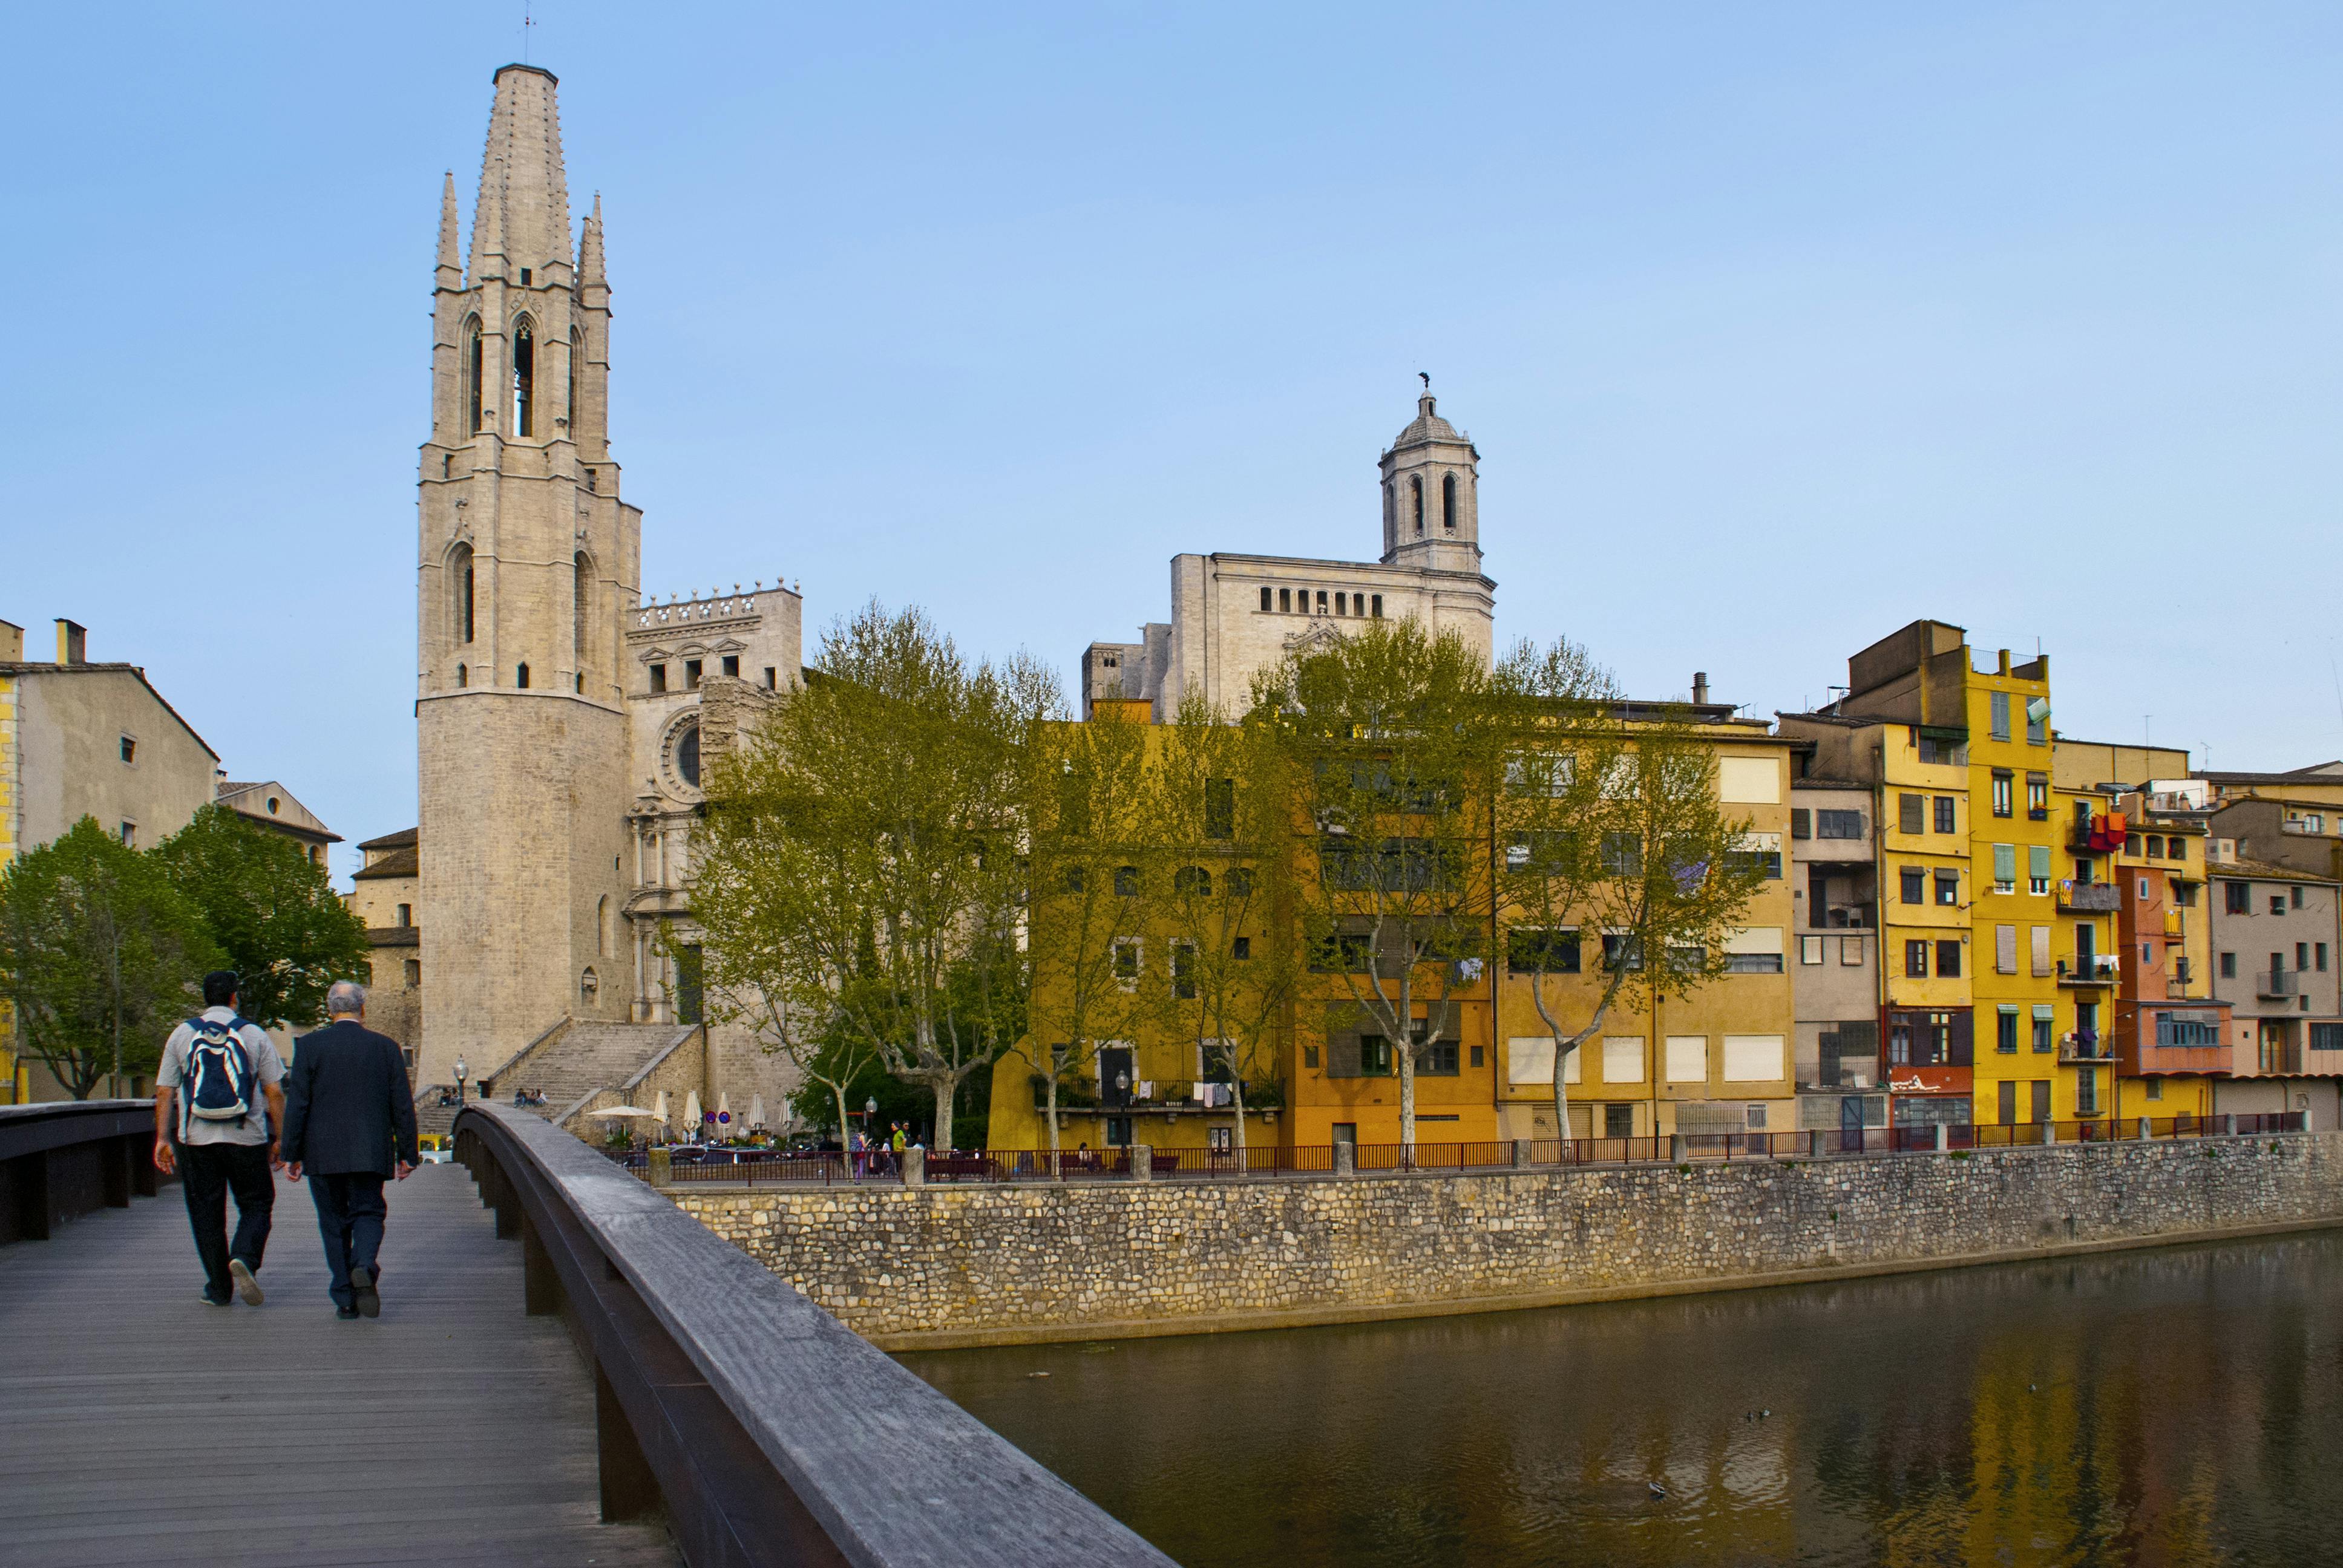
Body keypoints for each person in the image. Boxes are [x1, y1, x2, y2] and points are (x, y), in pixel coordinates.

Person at [278, 981, 419, 1319]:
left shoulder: (310, 1047)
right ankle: (365, 1266)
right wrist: (408, 1154)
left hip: (322, 1153)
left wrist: (291, 1153)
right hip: (371, 1150)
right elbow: (402, 1104)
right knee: (369, 1213)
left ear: (330, 1010)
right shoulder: (386, 1048)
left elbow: (298, 1104)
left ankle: (344, 1296)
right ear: (363, 1009)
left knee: (333, 1222)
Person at [154, 970, 286, 1307]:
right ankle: (244, 1256)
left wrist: (162, 1138)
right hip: (247, 1137)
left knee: (205, 1213)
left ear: (204, 998)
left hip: (195, 1139)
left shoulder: (182, 1034)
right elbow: (275, 1092)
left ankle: (218, 1288)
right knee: (257, 1204)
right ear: (234, 998)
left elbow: (164, 1091)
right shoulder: (253, 1034)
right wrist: (281, 1138)